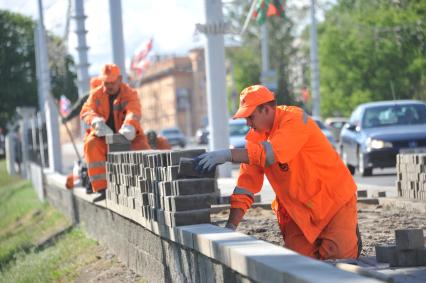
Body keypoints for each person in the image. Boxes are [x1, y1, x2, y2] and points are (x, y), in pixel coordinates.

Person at [195, 85, 361, 260]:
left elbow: (270, 154)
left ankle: (350, 240)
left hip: (333, 201)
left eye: (250, 117)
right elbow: (246, 186)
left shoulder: (295, 119)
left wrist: (227, 155)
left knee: (338, 258)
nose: (248, 123)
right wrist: (231, 226)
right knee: (302, 264)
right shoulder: (255, 138)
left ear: (266, 109)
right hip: (298, 211)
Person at [80, 64, 151, 201]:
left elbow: (134, 110)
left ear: (120, 79)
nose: (109, 86)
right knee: (91, 144)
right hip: (103, 137)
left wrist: (130, 125)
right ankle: (103, 189)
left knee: (143, 148)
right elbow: (86, 110)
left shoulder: (129, 93)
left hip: (128, 135)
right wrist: (95, 121)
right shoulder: (96, 95)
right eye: (106, 83)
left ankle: (148, 186)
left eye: (112, 82)